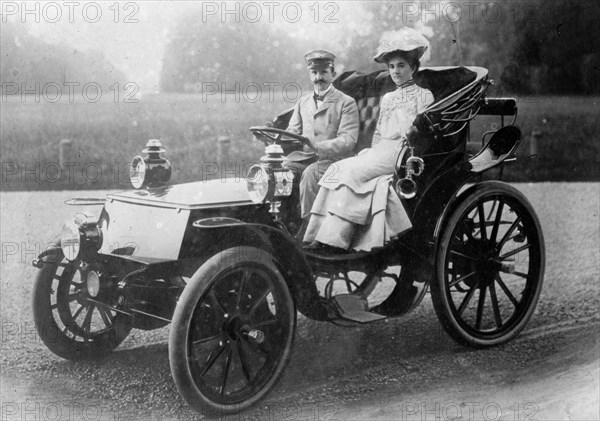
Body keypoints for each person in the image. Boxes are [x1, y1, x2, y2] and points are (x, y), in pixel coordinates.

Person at [303, 28, 434, 252]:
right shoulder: (388, 97)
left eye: (401, 65)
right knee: (337, 169)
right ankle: (319, 232)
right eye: (392, 67)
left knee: (352, 173)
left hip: (401, 151)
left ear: (413, 67)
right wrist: (370, 153)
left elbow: (422, 132)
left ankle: (336, 239)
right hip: (381, 149)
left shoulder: (424, 95)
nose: (396, 71)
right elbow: (379, 132)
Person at [284, 50, 360, 226]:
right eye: (314, 73)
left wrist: (318, 146)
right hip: (304, 158)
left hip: (335, 159)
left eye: (324, 72)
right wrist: (275, 138)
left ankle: (311, 229)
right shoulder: (302, 102)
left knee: (312, 174)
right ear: (310, 75)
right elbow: (292, 133)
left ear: (333, 75)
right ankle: (284, 221)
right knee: (281, 170)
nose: (319, 77)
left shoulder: (346, 102)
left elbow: (348, 140)